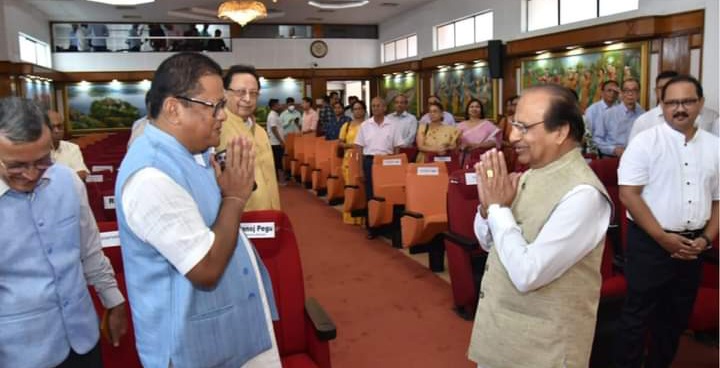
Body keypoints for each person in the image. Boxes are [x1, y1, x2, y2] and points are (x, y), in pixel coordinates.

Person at [115, 53, 281, 368]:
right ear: (173, 109)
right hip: (192, 346)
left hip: (227, 333)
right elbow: (205, 269)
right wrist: (234, 197)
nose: (223, 115)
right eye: (215, 106)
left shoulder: (192, 151)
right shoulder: (150, 175)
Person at [468, 84, 611, 367]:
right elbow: (488, 243)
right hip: (499, 333)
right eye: (513, 125)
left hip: (545, 350)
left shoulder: (584, 195)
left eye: (524, 127)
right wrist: (487, 209)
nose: (512, 136)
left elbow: (528, 274)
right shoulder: (529, 174)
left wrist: (497, 208)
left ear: (561, 131)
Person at [0, 97, 127, 368]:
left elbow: (90, 250)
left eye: (42, 160)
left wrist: (113, 300)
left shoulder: (67, 181)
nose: (31, 174)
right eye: (16, 165)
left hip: (83, 338)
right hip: (18, 352)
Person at [613, 75, 719, 368]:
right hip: (649, 244)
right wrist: (662, 238)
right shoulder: (645, 142)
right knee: (636, 318)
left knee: (675, 319)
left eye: (687, 101)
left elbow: (718, 200)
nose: (679, 108)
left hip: (693, 246)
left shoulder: (714, 146)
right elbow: (628, 195)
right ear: (662, 105)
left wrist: (706, 239)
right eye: (672, 102)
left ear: (700, 104)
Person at [219, 64, 281, 211]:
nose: (247, 99)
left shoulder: (260, 131)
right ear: (225, 93)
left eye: (253, 93)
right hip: (237, 219)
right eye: (241, 92)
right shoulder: (216, 128)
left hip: (269, 217)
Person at [355, 96, 404, 238]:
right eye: (373, 106)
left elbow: (396, 148)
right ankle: (372, 227)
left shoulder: (393, 125)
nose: (375, 108)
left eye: (378, 105)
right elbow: (359, 149)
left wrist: (396, 168)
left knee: (388, 195)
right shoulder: (365, 125)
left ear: (385, 108)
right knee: (371, 196)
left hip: (387, 163)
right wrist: (360, 169)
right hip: (370, 162)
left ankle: (387, 226)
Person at [629, 71, 718, 140]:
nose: (667, 91)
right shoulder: (643, 121)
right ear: (656, 91)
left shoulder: (711, 117)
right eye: (662, 88)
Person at [593, 78, 645, 157]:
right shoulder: (608, 114)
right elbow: (597, 140)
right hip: (612, 158)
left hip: (636, 157)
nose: (630, 94)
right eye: (626, 90)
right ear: (621, 93)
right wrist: (613, 150)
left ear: (638, 93)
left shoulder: (643, 115)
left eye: (634, 90)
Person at [339, 100, 366, 225]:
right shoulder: (347, 125)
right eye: (355, 109)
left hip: (363, 158)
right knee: (350, 187)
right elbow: (340, 143)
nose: (357, 111)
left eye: (360, 108)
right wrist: (352, 145)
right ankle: (350, 215)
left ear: (364, 110)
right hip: (349, 159)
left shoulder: (368, 125)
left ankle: (363, 216)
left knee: (362, 187)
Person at [48, 110, 90, 180]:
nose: (56, 130)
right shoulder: (35, 150)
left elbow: (82, 173)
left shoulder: (72, 148)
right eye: (52, 127)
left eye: (59, 126)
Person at [265, 98, 286, 185]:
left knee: (278, 160)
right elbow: (274, 129)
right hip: (275, 143)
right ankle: (280, 180)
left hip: (277, 142)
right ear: (274, 106)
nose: (280, 105)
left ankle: (279, 179)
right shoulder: (272, 115)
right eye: (278, 104)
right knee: (278, 161)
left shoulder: (276, 115)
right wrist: (281, 141)